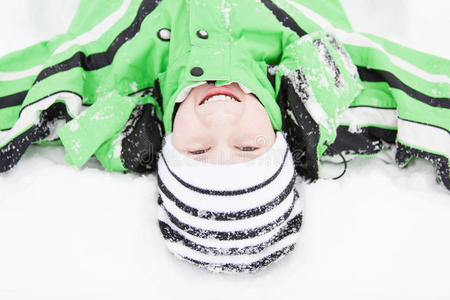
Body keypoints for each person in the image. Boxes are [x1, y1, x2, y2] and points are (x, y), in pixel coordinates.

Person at [0, 0, 448, 272]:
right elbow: (429, 96)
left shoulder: (103, 73)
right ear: (280, 138)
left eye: (197, 149)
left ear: (165, 146)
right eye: (248, 148)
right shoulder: (323, 79)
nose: (219, 126)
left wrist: (109, 134)